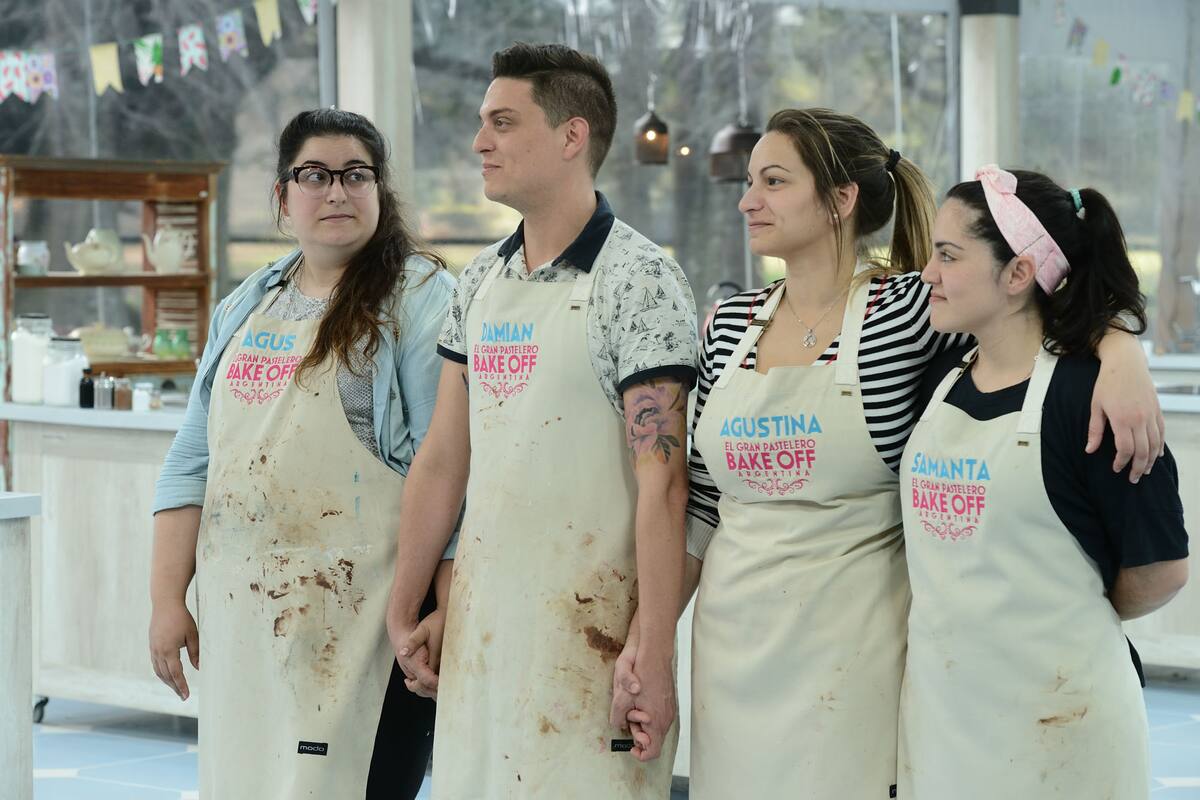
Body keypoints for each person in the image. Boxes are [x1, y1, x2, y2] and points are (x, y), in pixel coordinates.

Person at [611, 109, 1167, 797]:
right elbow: (700, 505)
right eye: (749, 181)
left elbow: (1031, 315)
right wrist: (651, 642)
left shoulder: (910, 313)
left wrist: (1120, 350)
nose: (746, 200)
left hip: (858, 672)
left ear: (842, 200)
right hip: (731, 659)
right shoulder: (729, 325)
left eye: (774, 181)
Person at [384, 42, 697, 798]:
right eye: (482, 123)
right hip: (484, 634)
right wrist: (409, 606)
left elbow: (665, 487)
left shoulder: (642, 280)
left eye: (502, 122)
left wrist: (653, 652)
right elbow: (444, 460)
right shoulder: (480, 281)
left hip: (591, 643)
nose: (479, 141)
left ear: (571, 136)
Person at [148, 108, 454, 799]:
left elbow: (450, 480)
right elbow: (190, 465)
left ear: (380, 191)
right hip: (246, 625)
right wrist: (168, 599)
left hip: (366, 626)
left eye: (356, 175)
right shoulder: (246, 305)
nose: (337, 192)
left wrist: (437, 610)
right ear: (284, 198)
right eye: (314, 175)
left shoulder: (423, 299)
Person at [899, 165, 1189, 798]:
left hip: (1064, 728)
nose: (928, 275)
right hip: (943, 722)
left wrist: (1061, 621)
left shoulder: (1098, 402)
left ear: (1018, 274)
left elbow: (1161, 570)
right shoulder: (938, 378)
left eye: (948, 256)